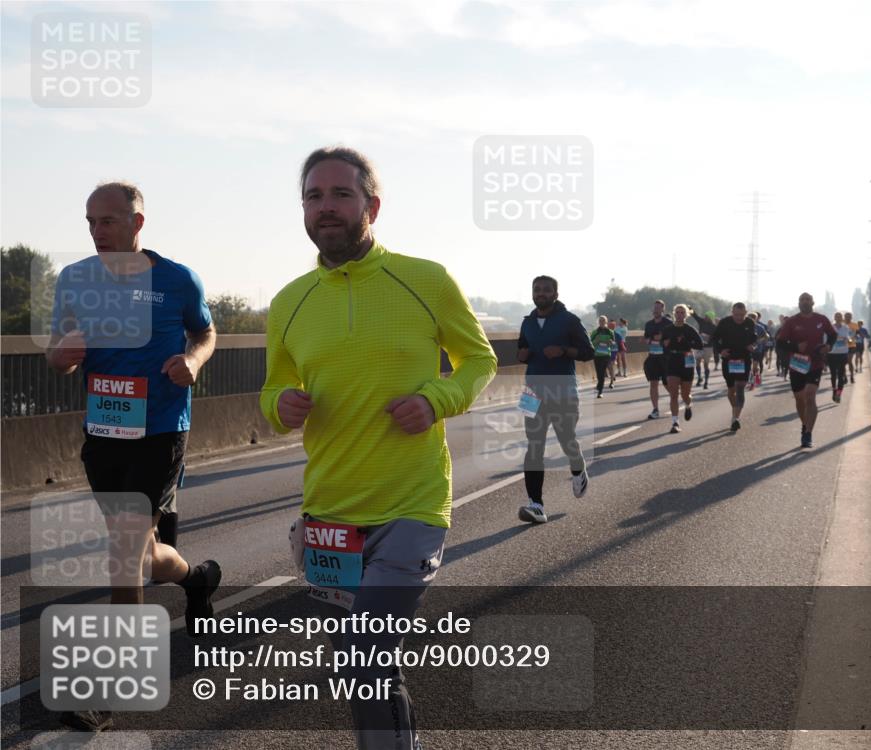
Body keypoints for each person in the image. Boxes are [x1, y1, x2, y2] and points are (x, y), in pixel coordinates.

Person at [260, 147, 497, 749]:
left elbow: (479, 360)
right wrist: (280, 403)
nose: (326, 207)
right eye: (314, 196)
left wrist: (438, 398)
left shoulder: (425, 280)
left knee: (366, 655)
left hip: (411, 507)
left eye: (341, 194)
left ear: (372, 205)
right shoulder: (289, 301)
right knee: (359, 668)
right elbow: (272, 385)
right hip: (331, 514)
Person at [47, 181, 220, 733]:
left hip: (161, 429)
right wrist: (64, 356)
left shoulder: (175, 278)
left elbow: (206, 331)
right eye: (91, 222)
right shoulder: (74, 280)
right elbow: (58, 352)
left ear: (137, 222)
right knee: (141, 556)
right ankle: (197, 579)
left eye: (109, 221)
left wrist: (192, 360)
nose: (98, 232)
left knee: (123, 555)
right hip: (103, 433)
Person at [516, 276, 594, 523]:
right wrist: (523, 355)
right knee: (533, 446)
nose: (541, 293)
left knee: (566, 439)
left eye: (546, 290)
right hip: (532, 391)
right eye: (537, 290)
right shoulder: (527, 322)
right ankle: (536, 504)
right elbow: (522, 351)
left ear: (555, 294)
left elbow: (588, 352)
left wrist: (563, 351)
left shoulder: (569, 321)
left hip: (564, 390)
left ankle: (578, 467)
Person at [774, 293, 837, 448]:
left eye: (807, 299)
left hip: (815, 363)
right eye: (802, 300)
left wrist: (829, 346)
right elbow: (780, 343)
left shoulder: (821, 319)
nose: (805, 302)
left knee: (810, 396)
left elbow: (832, 335)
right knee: (799, 398)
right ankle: (805, 424)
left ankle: (808, 433)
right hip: (797, 364)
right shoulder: (792, 322)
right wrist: (795, 347)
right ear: (798, 303)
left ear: (813, 302)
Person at [709, 302, 758, 432]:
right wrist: (720, 351)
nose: (739, 318)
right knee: (731, 390)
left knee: (740, 387)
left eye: (742, 315)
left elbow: (754, 338)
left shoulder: (749, 323)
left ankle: (736, 418)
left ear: (745, 313)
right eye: (736, 315)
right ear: (732, 312)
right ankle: (735, 412)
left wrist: (752, 346)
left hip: (744, 358)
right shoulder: (725, 322)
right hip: (729, 358)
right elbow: (714, 338)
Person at [662, 304, 704, 433]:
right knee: (673, 394)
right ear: (674, 314)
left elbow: (700, 344)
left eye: (682, 313)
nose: (679, 315)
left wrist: (687, 342)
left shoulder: (690, 330)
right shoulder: (668, 329)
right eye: (677, 312)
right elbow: (663, 345)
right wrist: (666, 344)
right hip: (673, 360)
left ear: (686, 315)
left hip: (686, 360)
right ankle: (675, 422)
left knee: (685, 394)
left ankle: (688, 404)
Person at [643, 300, 673, 419]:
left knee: (667, 384)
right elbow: (646, 339)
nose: (655, 310)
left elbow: (672, 338)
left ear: (662, 309)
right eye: (654, 308)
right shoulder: (648, 324)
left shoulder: (668, 323)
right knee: (653, 383)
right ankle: (655, 409)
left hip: (666, 358)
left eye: (658, 308)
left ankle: (675, 399)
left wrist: (662, 339)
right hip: (653, 357)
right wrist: (652, 339)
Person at [690, 307, 717, 390]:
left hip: (708, 347)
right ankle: (699, 378)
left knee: (706, 365)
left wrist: (709, 337)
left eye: (707, 316)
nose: (705, 317)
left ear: (710, 318)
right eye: (705, 316)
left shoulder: (714, 327)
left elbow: (716, 337)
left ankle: (706, 382)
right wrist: (690, 309)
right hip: (699, 346)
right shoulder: (702, 322)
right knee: (697, 363)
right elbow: (695, 316)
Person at [828, 311, 851, 402]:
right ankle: (834, 390)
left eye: (839, 316)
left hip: (842, 353)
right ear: (834, 318)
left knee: (841, 375)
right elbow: (826, 338)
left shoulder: (845, 328)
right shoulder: (830, 328)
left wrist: (847, 340)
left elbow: (849, 337)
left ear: (842, 318)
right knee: (833, 374)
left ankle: (839, 393)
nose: (838, 318)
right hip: (832, 354)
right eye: (836, 316)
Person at [591, 316, 615, 398]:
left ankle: (600, 392)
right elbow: (590, 343)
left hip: (606, 355)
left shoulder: (610, 332)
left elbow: (613, 343)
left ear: (606, 322)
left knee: (602, 373)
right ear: (598, 322)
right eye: (600, 321)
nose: (602, 322)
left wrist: (611, 342)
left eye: (603, 321)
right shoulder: (595, 332)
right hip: (597, 355)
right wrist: (596, 341)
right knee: (599, 373)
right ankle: (599, 384)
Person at [775, 314, 790, 379]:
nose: (786, 322)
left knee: (787, 361)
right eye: (785, 321)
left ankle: (785, 374)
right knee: (781, 360)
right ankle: (781, 371)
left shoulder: (792, 329)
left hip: (788, 348)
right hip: (780, 347)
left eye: (787, 321)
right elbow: (776, 337)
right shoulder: (781, 329)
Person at [844, 311, 858, 384]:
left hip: (851, 345)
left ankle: (852, 376)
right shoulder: (842, 324)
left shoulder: (854, 325)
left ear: (851, 317)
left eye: (849, 317)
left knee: (849, 361)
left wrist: (852, 338)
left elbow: (856, 334)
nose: (848, 318)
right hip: (842, 346)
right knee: (842, 363)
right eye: (846, 316)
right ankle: (845, 377)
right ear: (844, 317)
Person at [607, 319, 618, 389]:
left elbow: (619, 342)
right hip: (606, 351)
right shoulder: (605, 332)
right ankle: (613, 375)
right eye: (610, 325)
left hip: (613, 350)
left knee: (611, 365)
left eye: (613, 325)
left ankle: (611, 382)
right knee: (608, 365)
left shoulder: (616, 334)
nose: (611, 326)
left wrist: (612, 342)